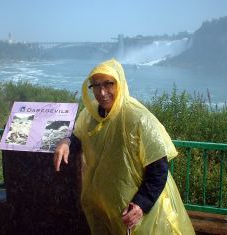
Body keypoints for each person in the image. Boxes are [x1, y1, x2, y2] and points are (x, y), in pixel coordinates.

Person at [54, 59, 195, 235]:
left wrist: (141, 204)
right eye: (96, 85)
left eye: (108, 84)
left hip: (138, 216)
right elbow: (78, 136)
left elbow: (158, 169)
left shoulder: (138, 119)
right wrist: (66, 142)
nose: (102, 92)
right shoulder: (90, 116)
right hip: (104, 211)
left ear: (120, 83)